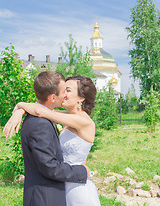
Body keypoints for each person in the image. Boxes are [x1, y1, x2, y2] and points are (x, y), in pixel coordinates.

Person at [4, 73, 101, 206]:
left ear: (81, 98)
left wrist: (20, 106)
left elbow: (41, 111)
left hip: (75, 185)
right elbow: (42, 109)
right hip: (60, 183)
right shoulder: (66, 116)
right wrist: (20, 111)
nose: (63, 94)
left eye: (68, 90)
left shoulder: (83, 121)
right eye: (63, 90)